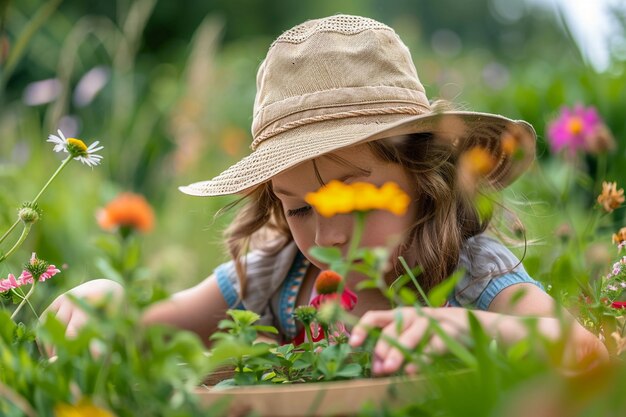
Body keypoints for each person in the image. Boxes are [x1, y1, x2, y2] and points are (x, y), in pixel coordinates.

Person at [46, 14, 607, 375]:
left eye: (355, 199)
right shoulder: (276, 278)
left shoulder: (470, 272)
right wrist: (99, 300)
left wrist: (477, 330)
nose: (330, 233)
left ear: (422, 175)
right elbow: (147, 331)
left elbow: (586, 352)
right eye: (298, 209)